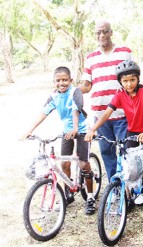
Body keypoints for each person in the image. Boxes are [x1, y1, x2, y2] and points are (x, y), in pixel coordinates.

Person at [85, 60, 143, 218]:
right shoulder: (120, 95)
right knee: (129, 168)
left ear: (138, 79)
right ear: (120, 82)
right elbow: (107, 113)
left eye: (132, 80)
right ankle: (129, 197)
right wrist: (92, 129)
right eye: (125, 81)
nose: (129, 84)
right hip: (132, 132)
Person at [21, 66, 95, 215]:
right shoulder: (54, 96)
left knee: (83, 164)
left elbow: (75, 111)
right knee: (64, 163)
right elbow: (43, 113)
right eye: (58, 80)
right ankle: (68, 191)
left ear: (71, 80)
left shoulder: (76, 92)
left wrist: (75, 129)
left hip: (80, 129)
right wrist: (29, 130)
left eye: (65, 80)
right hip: (66, 131)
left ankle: (91, 197)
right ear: (53, 82)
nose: (62, 83)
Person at [78, 19, 132, 184]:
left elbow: (133, 81)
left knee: (127, 152)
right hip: (100, 116)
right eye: (98, 32)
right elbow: (87, 85)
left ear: (111, 32)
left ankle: (128, 188)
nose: (102, 35)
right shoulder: (91, 57)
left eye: (105, 31)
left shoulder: (124, 52)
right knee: (107, 153)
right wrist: (72, 91)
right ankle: (114, 187)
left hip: (122, 114)